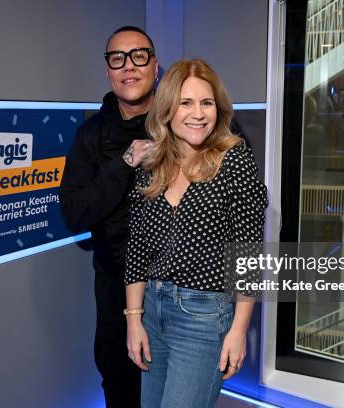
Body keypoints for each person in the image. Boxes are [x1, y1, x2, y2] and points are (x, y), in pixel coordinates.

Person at [123, 59, 268, 408]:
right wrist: (134, 319)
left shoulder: (234, 160)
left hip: (202, 317)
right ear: (167, 109)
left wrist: (238, 330)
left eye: (207, 103)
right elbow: (138, 249)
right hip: (152, 311)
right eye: (186, 102)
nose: (198, 113)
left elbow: (248, 253)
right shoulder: (152, 166)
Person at [59, 26, 157, 408]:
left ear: (153, 63)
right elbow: (75, 213)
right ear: (108, 69)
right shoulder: (91, 135)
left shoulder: (184, 121)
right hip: (116, 286)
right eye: (118, 58)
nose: (128, 67)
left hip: (179, 289)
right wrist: (126, 162)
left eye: (138, 56)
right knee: (122, 385)